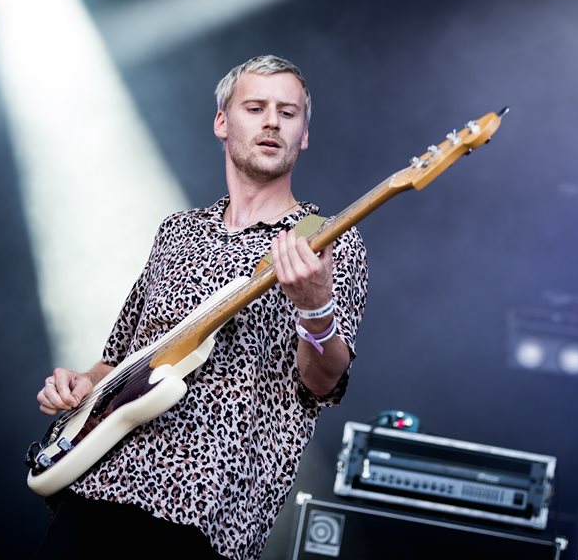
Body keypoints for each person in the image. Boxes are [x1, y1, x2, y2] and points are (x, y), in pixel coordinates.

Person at [34, 54, 369, 559]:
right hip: (101, 485)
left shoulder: (325, 241)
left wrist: (315, 308)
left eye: (288, 112)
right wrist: (78, 385)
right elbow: (119, 358)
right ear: (221, 122)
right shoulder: (178, 232)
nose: (272, 122)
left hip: (203, 512)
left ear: (303, 135)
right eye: (255, 108)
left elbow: (323, 383)